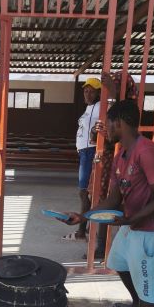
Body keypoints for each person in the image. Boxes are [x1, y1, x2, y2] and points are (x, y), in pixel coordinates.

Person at [60, 100, 154, 307]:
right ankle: (137, 304)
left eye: (108, 123)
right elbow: (113, 200)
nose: (105, 128)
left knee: (149, 285)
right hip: (134, 224)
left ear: (119, 123)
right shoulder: (121, 155)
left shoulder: (147, 152)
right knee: (119, 263)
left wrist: (131, 218)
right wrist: (82, 217)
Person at [88, 71, 139, 259]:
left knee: (125, 205)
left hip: (124, 162)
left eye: (113, 88)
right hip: (109, 162)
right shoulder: (109, 109)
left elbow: (122, 133)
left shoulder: (130, 112)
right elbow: (99, 138)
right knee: (107, 202)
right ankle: (103, 247)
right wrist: (97, 131)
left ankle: (120, 248)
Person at [64, 77, 101, 242]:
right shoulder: (89, 107)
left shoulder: (101, 107)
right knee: (85, 193)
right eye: (86, 91)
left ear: (99, 92)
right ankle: (85, 228)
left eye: (91, 91)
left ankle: (81, 231)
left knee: (84, 192)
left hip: (90, 152)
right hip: (84, 152)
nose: (87, 94)